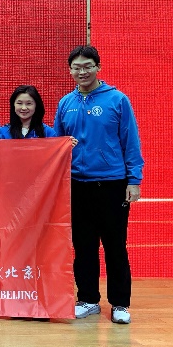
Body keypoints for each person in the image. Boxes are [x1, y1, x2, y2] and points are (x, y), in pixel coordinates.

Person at [54, 45, 143, 325]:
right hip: (77, 185)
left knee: (115, 246)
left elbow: (130, 141)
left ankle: (120, 304)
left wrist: (134, 180)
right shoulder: (65, 103)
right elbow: (57, 144)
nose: (82, 72)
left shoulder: (117, 100)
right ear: (70, 71)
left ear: (98, 67)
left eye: (87, 66)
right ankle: (88, 299)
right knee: (83, 246)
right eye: (76, 67)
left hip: (112, 183)